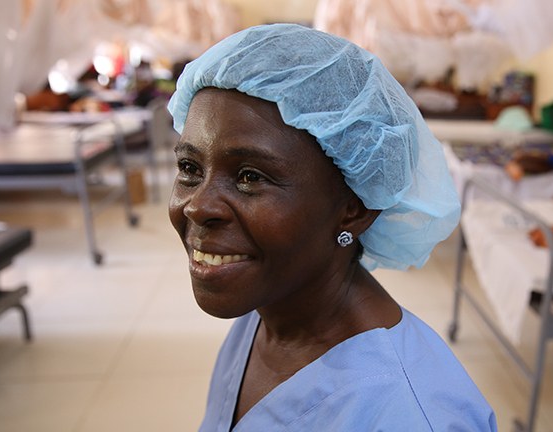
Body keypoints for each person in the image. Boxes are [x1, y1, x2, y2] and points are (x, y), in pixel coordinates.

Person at [166, 24, 497, 431]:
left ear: (354, 210)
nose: (198, 206)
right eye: (189, 168)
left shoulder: (409, 413)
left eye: (250, 176)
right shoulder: (266, 313)